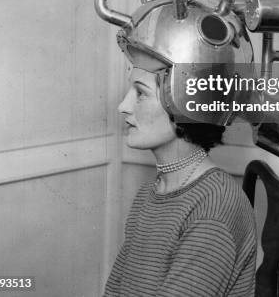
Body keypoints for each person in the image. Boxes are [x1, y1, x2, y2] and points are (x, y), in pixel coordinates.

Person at [102, 51, 257, 297]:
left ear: (185, 107)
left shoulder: (214, 210)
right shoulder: (150, 193)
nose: (123, 106)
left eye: (140, 93)